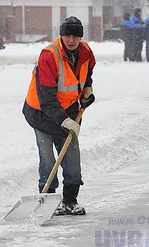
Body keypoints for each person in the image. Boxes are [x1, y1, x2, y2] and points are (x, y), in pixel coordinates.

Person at [22, 16, 96, 215]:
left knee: (72, 157)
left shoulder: (86, 52)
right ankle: (47, 199)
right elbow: (46, 97)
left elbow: (87, 74)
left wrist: (87, 90)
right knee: (47, 158)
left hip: (69, 110)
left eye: (75, 36)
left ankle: (70, 200)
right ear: (61, 36)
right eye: (67, 36)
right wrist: (64, 120)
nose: (71, 40)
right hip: (41, 112)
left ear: (80, 38)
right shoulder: (49, 56)